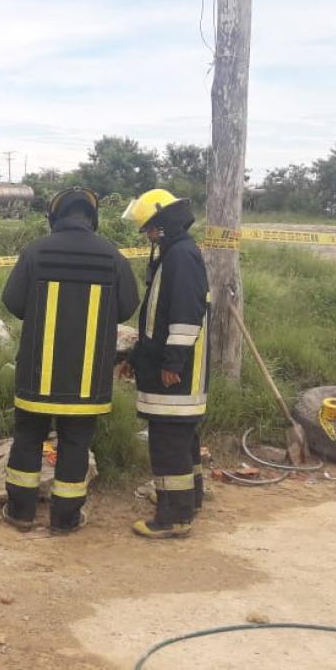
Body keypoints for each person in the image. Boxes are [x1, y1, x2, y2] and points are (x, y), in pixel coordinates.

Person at [0, 187, 139, 534]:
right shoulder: (112, 255)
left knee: (28, 438)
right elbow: (127, 305)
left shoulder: (35, 251)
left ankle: (20, 513)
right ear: (92, 217)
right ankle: (65, 519)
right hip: (87, 376)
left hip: (37, 371)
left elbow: (12, 301)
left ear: (55, 217)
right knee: (76, 443)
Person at [121, 189, 210, 539]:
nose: (147, 235)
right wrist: (137, 357)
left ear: (164, 224)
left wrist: (172, 361)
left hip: (176, 372)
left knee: (168, 441)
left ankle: (174, 517)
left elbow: (186, 316)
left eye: (149, 228)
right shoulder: (175, 254)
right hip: (172, 366)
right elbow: (155, 318)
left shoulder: (181, 257)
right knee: (182, 438)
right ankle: (192, 499)